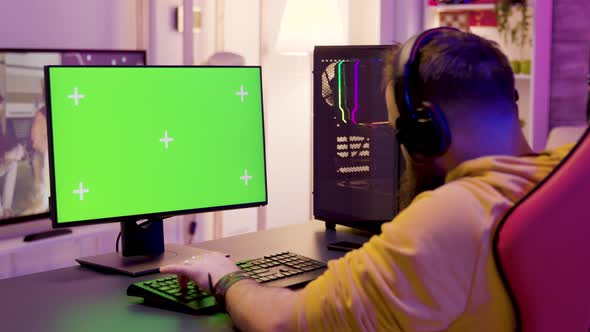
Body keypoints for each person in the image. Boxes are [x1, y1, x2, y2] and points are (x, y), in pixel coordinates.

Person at [160, 28, 572, 331]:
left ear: (424, 130)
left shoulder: (451, 216)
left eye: (400, 133)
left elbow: (280, 322)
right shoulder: (567, 178)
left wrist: (226, 276)